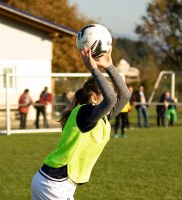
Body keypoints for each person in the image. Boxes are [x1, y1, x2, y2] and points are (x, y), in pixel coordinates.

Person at [31, 47, 130, 200]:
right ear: (94, 97)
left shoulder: (100, 117)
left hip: (59, 183)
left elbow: (124, 96)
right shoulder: (85, 113)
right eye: (105, 91)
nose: (112, 94)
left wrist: (109, 65)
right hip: (53, 184)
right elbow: (110, 99)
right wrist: (94, 69)